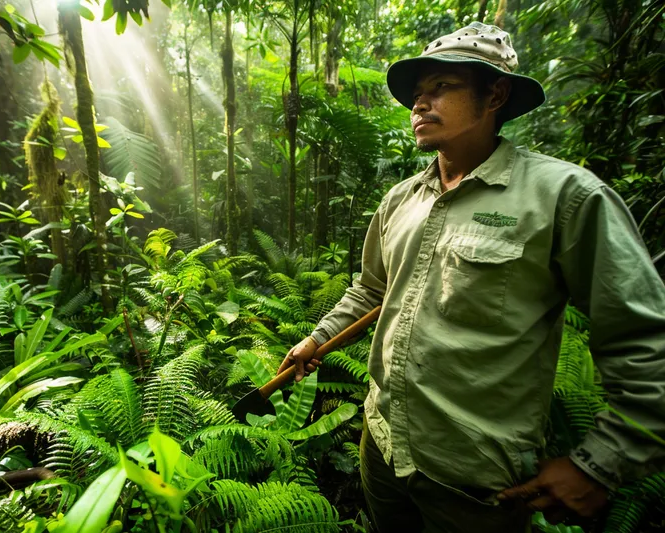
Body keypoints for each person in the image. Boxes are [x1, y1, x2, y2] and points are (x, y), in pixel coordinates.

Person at [277, 21, 665, 533]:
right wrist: (317, 339)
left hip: (475, 481)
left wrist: (599, 463)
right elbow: (372, 289)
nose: (420, 104)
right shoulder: (401, 200)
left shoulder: (565, 197)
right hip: (383, 448)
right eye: (418, 94)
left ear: (496, 94)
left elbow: (644, 339)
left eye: (441, 88)